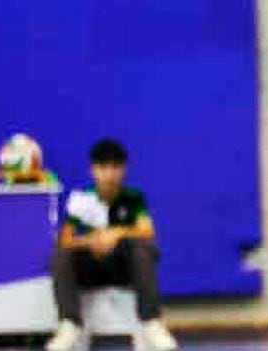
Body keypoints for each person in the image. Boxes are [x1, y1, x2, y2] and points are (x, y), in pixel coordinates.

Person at [46, 139, 177, 351]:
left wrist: (114, 233)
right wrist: (91, 240)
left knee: (144, 248)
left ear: (123, 169)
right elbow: (66, 239)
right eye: (103, 167)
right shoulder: (82, 199)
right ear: (93, 170)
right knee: (61, 254)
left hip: (123, 268)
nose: (109, 174)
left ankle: (151, 322)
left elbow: (147, 230)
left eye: (115, 167)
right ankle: (69, 324)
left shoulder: (133, 198)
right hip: (90, 267)